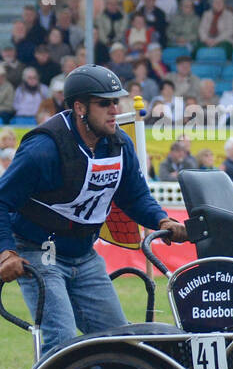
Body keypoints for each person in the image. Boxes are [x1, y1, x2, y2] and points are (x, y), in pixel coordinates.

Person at [0, 64, 188, 354]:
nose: (114, 109)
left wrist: (162, 220)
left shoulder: (119, 145)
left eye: (116, 101)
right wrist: (6, 252)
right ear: (80, 108)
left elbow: (135, 196)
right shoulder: (43, 149)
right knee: (61, 343)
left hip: (85, 256)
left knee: (122, 345)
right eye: (104, 103)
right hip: (39, 251)